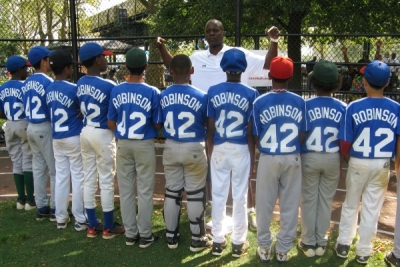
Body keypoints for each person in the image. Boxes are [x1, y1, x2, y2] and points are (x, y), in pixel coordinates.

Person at [156, 19, 280, 230]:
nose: (211, 33)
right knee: (211, 173)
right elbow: (174, 66)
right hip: (205, 120)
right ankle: (213, 211)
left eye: (215, 30)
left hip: (231, 121)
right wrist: (161, 47)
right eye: (208, 31)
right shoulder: (197, 57)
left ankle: (248, 212)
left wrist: (274, 41)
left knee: (242, 175)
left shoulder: (237, 53)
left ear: (224, 33)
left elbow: (268, 63)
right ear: (205, 35)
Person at [334, 60, 398, 265]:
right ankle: (363, 250)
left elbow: (345, 142)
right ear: (387, 83)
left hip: (358, 160)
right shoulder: (396, 108)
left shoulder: (354, 106)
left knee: (351, 204)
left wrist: (347, 157)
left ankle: (343, 244)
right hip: (382, 164)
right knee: (372, 208)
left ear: (365, 82)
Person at [253, 56, 306, 263]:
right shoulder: (300, 101)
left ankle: (265, 247)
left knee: (264, 204)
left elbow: (256, 134)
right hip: (292, 154)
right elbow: (302, 133)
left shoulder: (259, 101)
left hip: (268, 155)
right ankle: (283, 249)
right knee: (291, 204)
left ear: (269, 75)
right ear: (291, 76)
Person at [207, 48, 259, 257]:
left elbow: (210, 128)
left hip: (219, 145)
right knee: (240, 196)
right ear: (243, 68)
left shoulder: (212, 91)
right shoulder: (251, 93)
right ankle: (238, 242)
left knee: (218, 195)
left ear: (223, 67)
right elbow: (250, 132)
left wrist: (210, 152)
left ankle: (218, 241)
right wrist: (253, 157)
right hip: (240, 147)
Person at [157, 54, 212, 251]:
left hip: (171, 145)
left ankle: (171, 235)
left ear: (170, 71)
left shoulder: (163, 95)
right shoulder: (202, 95)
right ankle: (197, 239)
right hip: (194, 146)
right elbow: (208, 123)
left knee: (172, 191)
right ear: (192, 70)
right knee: (196, 193)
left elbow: (158, 122)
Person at [107, 48, 160, 248]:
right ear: (146, 67)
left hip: (123, 143)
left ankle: (130, 233)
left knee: (126, 190)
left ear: (126, 67)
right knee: (145, 190)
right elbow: (157, 124)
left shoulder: (116, 90)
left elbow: (111, 122)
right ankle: (145, 234)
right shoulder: (152, 91)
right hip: (144, 144)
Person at [298, 60, 346, 257]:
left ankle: (308, 242)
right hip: (333, 156)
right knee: (326, 201)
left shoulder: (304, 104)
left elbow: (300, 133)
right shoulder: (344, 106)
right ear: (336, 83)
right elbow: (344, 140)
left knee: (309, 200)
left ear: (313, 82)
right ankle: (321, 240)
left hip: (309, 154)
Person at [77, 42, 124, 239]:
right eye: (104, 57)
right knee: (105, 180)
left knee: (89, 178)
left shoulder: (79, 82)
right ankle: (107, 226)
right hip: (102, 133)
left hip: (85, 131)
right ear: (97, 60)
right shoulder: (109, 85)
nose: (106, 59)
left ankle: (91, 225)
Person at [45, 50, 86, 230]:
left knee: (61, 177)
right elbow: (82, 109)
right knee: (78, 177)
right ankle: (79, 218)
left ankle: (60, 217)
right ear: (68, 68)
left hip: (57, 137)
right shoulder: (73, 88)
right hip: (73, 136)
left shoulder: (48, 89)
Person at [22, 46, 56, 221]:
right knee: (54, 169)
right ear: (43, 61)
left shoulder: (26, 82)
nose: (50, 62)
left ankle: (41, 206)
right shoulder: (48, 82)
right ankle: (56, 207)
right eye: (48, 59)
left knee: (38, 167)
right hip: (44, 125)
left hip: (31, 127)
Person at [0, 55, 35, 211]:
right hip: (24, 122)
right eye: (25, 68)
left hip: (9, 124)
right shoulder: (26, 85)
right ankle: (29, 200)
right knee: (28, 160)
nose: (27, 70)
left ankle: (20, 200)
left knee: (16, 161)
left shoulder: (2, 87)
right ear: (20, 70)